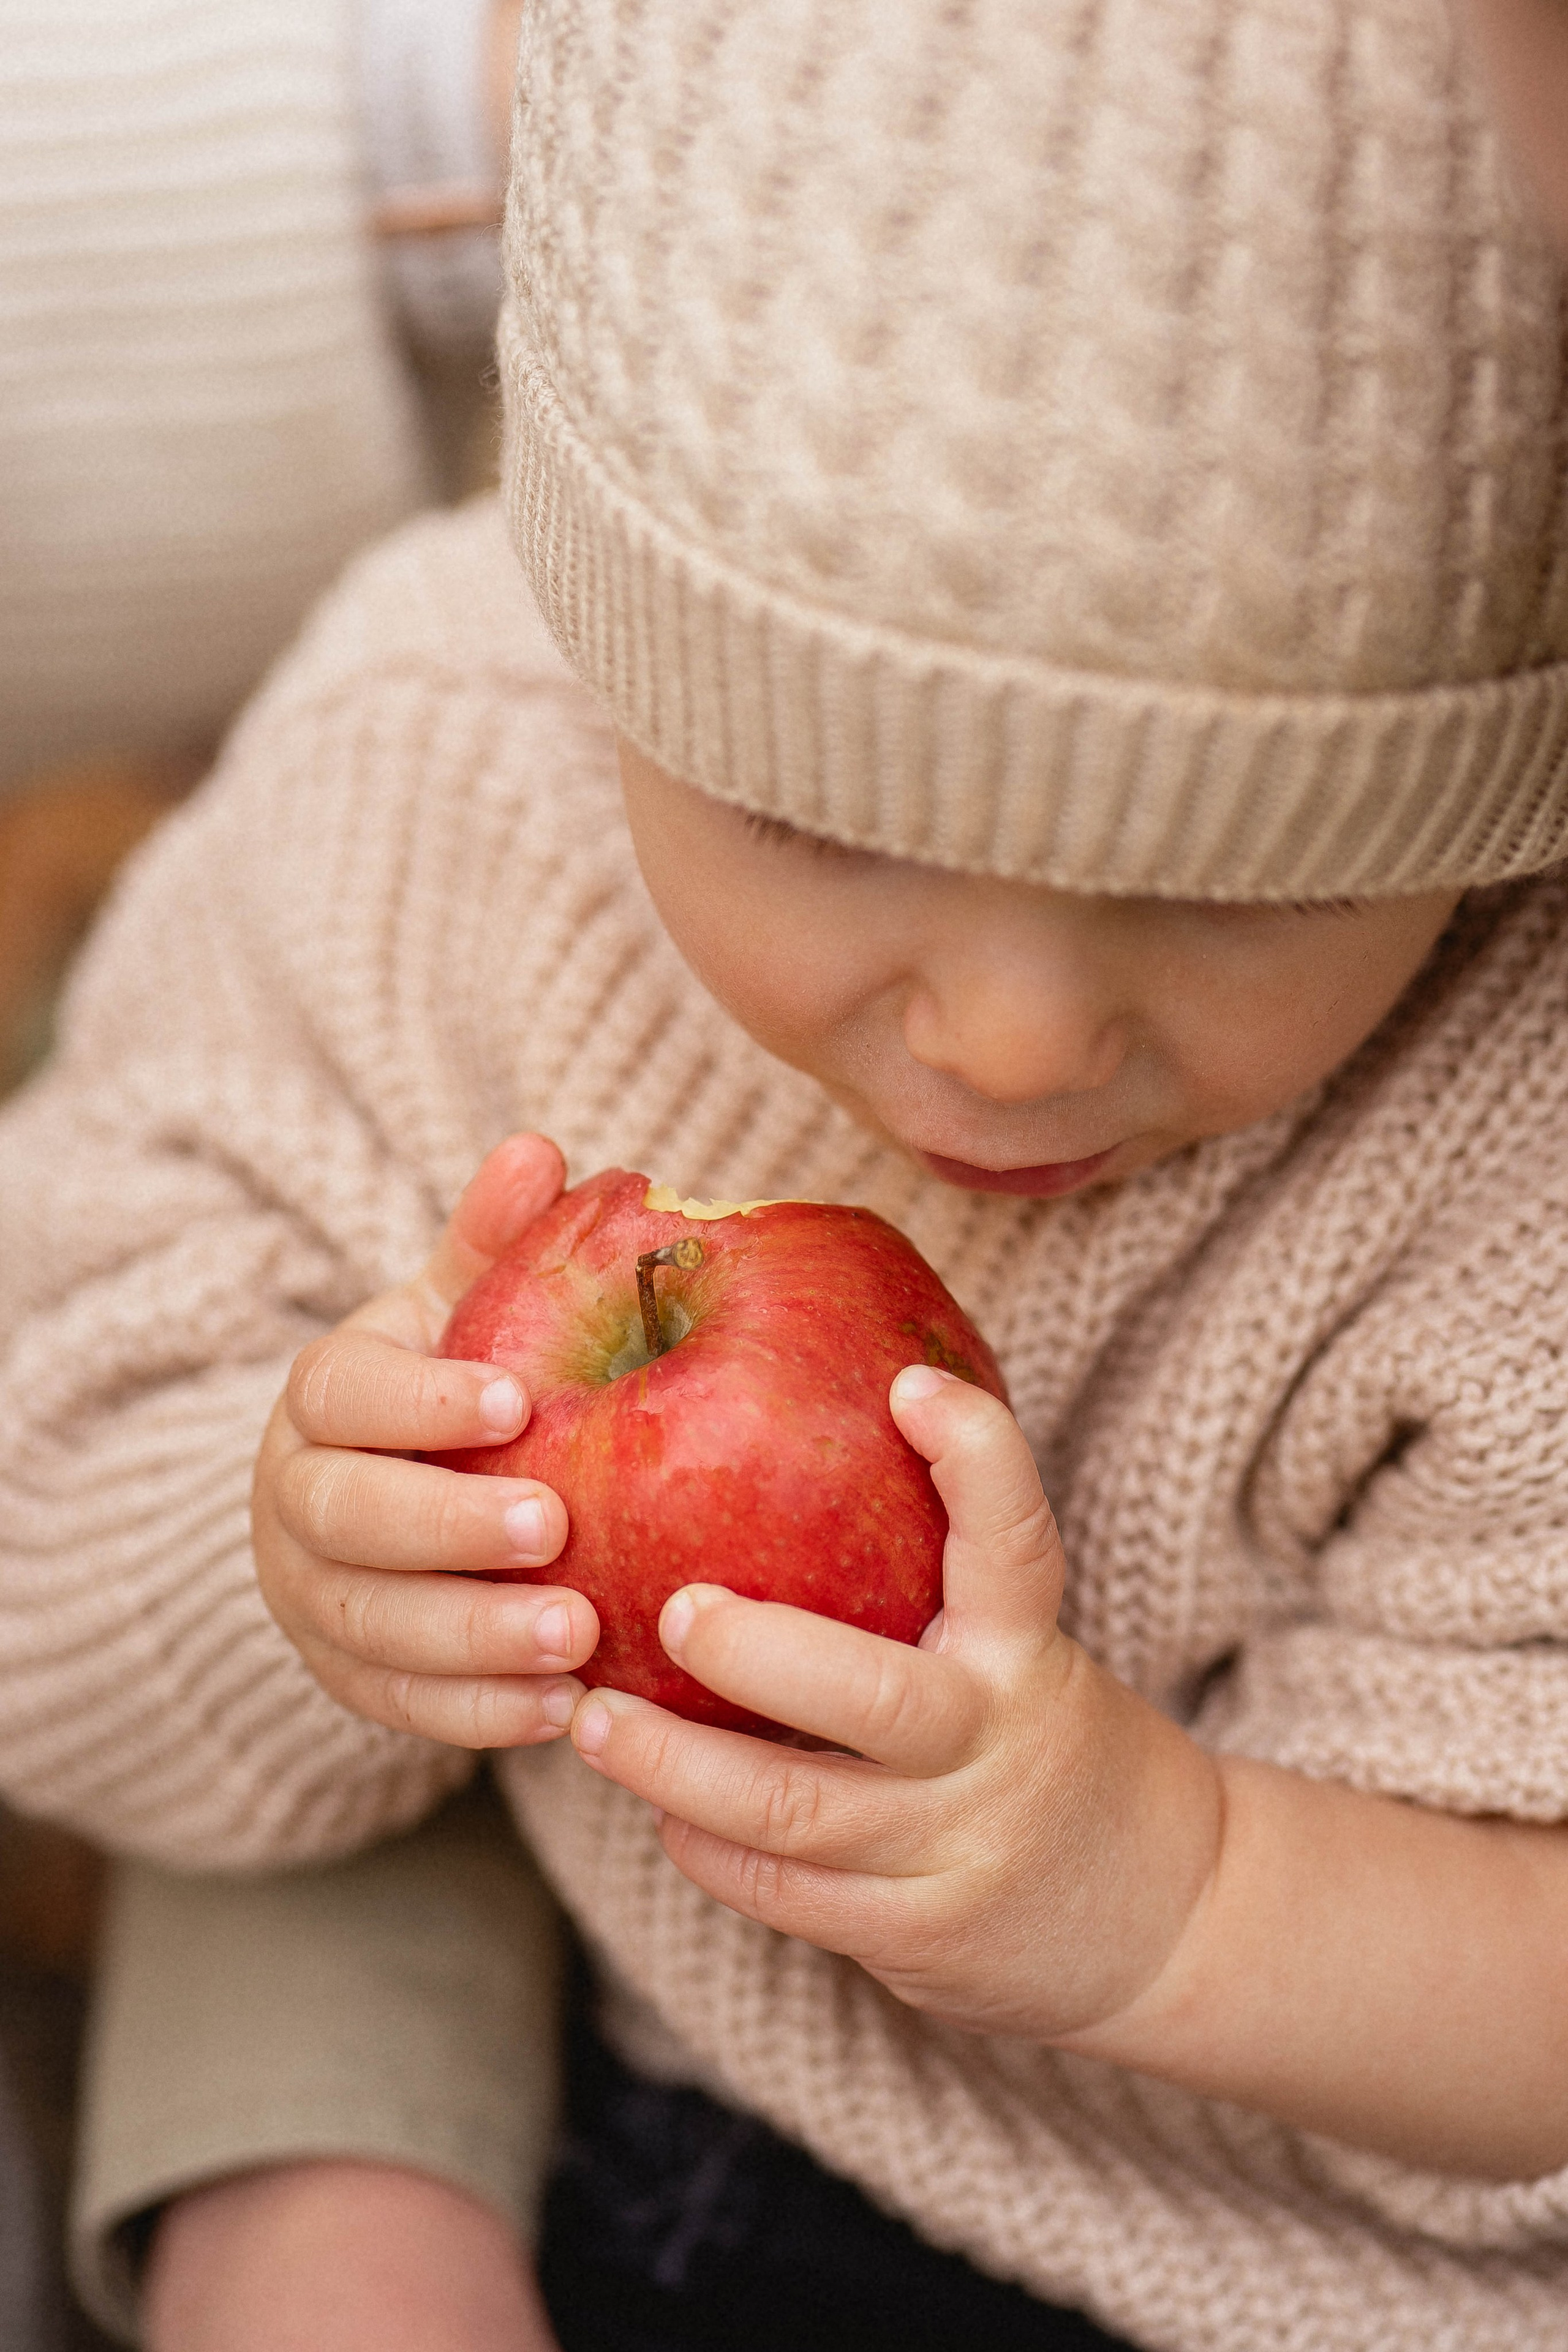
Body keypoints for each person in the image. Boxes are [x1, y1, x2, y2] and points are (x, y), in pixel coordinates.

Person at [4, 0, 1568, 2346]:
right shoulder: (431, 804)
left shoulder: (1508, 1141)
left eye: (1244, 885)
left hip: (1309, 2257)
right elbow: (38, 1531)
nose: (1010, 1036)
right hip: (644, 2106)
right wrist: (301, 1575)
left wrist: (1177, 1896)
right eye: (821, 823)